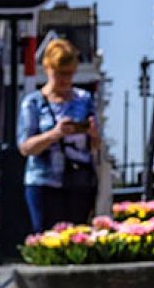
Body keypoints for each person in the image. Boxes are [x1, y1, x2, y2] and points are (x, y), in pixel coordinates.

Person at [18, 38, 101, 232]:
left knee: (79, 236)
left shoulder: (84, 99)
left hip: (79, 182)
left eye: (69, 74)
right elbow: (25, 147)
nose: (65, 80)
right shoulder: (33, 103)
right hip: (44, 181)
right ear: (48, 69)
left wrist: (93, 133)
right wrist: (54, 134)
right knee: (47, 237)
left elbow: (95, 145)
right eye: (60, 74)